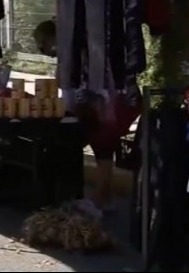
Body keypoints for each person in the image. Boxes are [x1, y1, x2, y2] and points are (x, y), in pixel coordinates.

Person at [32, 19, 139, 211]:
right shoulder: (69, 54)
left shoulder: (81, 53)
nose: (43, 49)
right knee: (78, 140)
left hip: (111, 103)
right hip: (98, 105)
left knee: (102, 139)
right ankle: (86, 192)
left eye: (44, 43)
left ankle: (103, 194)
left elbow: (84, 85)